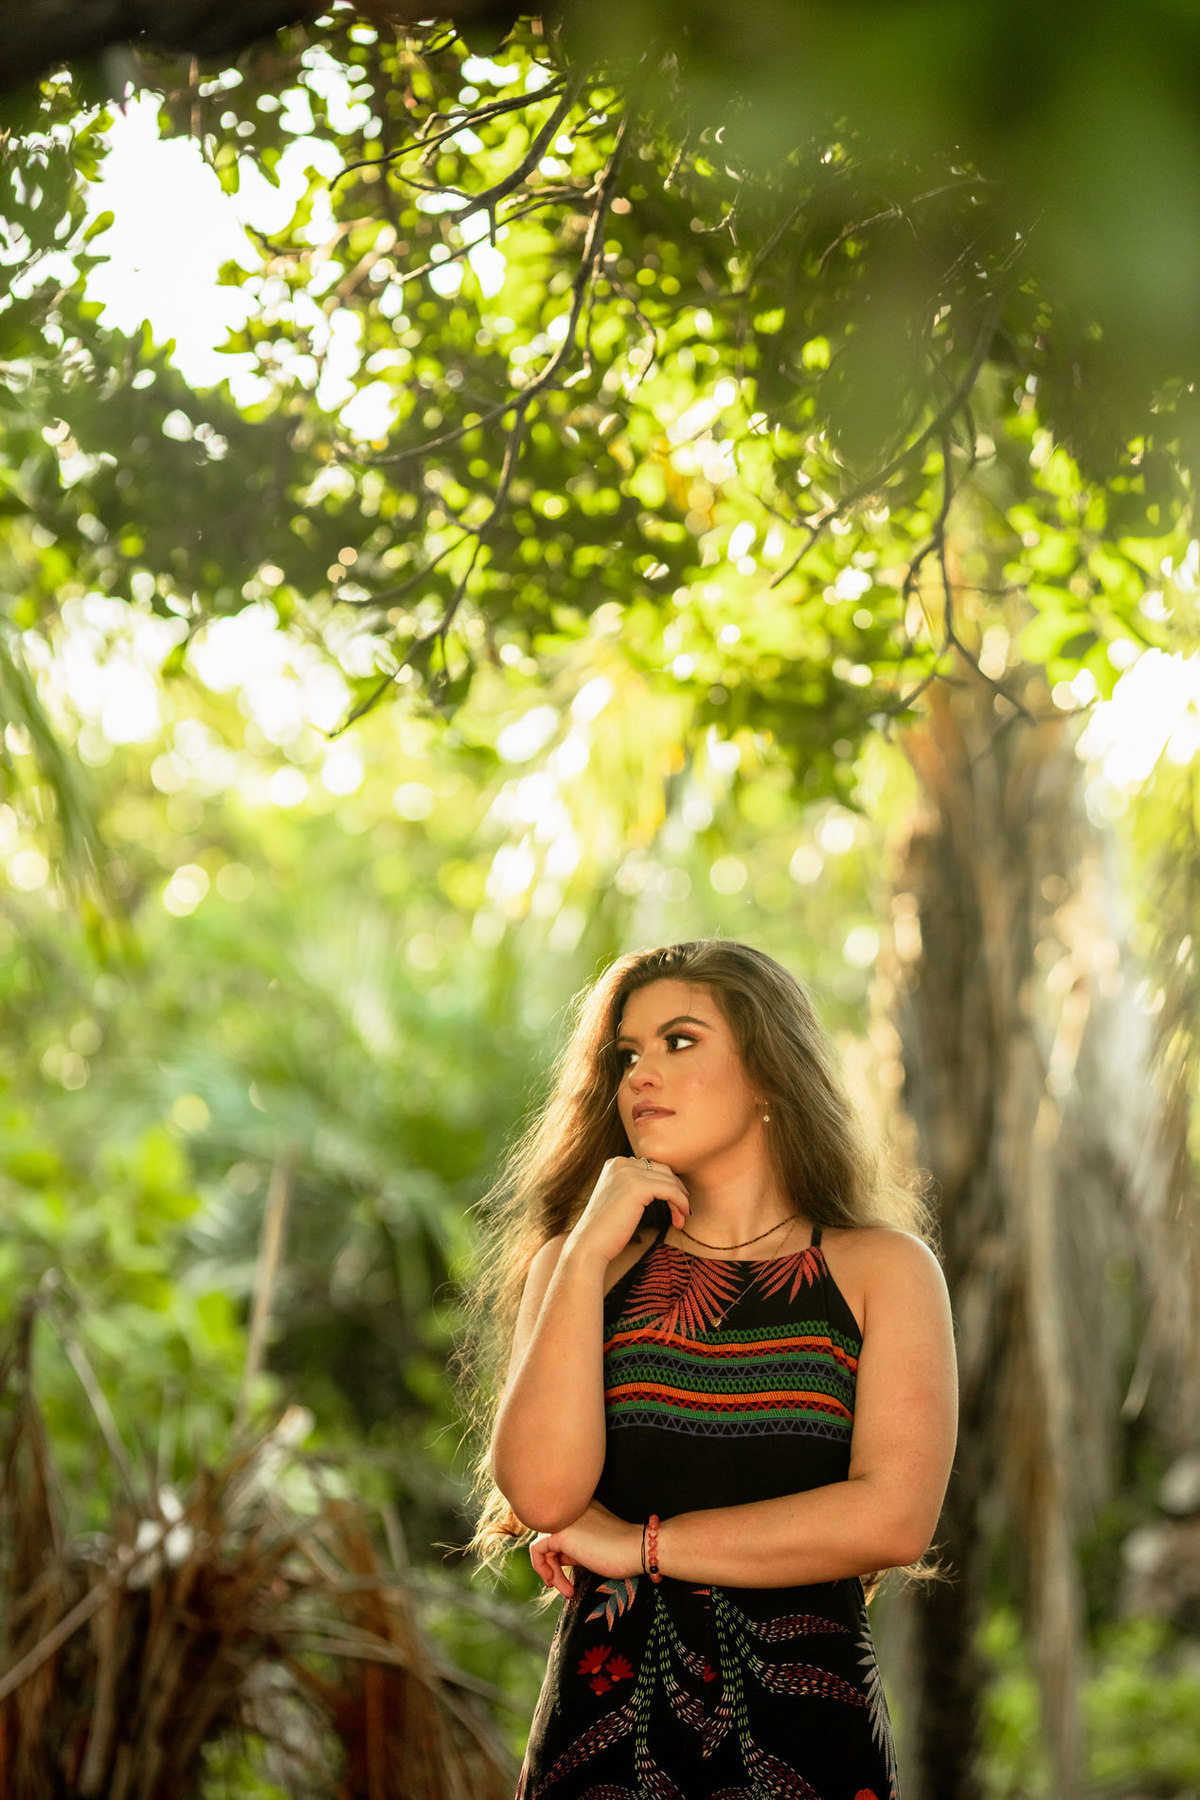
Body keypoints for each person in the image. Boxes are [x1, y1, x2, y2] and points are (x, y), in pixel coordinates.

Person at [473, 939, 958, 1800]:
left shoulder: (883, 1271)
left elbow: (892, 1518)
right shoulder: (582, 1269)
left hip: (809, 1746)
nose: (640, 1076)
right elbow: (544, 1497)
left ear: (770, 1071)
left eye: (680, 1041)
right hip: (601, 1746)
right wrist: (586, 1249)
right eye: (627, 1053)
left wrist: (636, 1545)